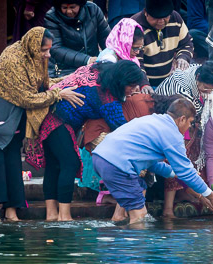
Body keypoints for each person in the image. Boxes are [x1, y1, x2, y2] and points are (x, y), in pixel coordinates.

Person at [0, 27, 84, 222]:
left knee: (13, 161)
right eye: (43, 50)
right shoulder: (12, 60)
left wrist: (70, 79)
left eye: (48, 50)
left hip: (11, 120)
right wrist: (58, 93)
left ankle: (12, 211)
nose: (47, 55)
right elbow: (27, 98)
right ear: (32, 45)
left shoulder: (34, 59)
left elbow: (41, 85)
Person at [92, 98, 213, 224]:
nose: (189, 127)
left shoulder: (154, 120)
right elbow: (186, 171)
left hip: (100, 157)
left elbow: (151, 162)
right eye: (190, 122)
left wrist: (172, 173)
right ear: (182, 119)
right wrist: (211, 195)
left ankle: (118, 234)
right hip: (116, 165)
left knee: (137, 192)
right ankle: (133, 251)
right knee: (139, 217)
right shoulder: (172, 133)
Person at [38, 60, 144, 221]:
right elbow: (122, 128)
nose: (134, 90)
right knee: (70, 163)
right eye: (132, 85)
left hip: (49, 115)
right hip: (57, 121)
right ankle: (64, 216)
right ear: (121, 82)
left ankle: (52, 214)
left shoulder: (101, 71)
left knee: (55, 165)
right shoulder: (105, 96)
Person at [155, 60, 213, 217]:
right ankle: (168, 208)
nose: (208, 93)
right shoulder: (181, 83)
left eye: (211, 89)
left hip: (190, 121)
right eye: (205, 88)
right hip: (169, 119)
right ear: (198, 77)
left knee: (196, 148)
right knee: (177, 158)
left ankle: (184, 192)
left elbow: (201, 109)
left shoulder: (211, 84)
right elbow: (186, 111)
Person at [131, 0, 194, 90]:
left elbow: (187, 43)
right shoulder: (135, 26)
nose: (161, 21)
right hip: (145, 85)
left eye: (165, 17)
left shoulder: (175, 18)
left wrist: (183, 57)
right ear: (146, 13)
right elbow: (135, 61)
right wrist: (144, 84)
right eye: (156, 18)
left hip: (168, 82)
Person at [44, 0, 110, 77]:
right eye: (64, 7)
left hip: (95, 66)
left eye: (72, 7)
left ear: (80, 4)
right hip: (67, 71)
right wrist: (87, 60)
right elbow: (56, 48)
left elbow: (106, 39)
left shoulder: (93, 10)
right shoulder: (52, 17)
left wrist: (110, 56)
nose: (69, 11)